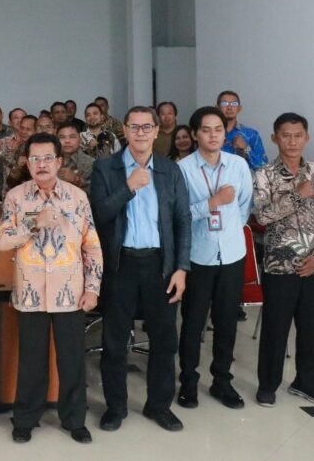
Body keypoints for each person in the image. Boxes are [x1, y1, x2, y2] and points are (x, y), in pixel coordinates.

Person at [89, 107, 191, 433]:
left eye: (147, 126)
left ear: (157, 130)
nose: (141, 132)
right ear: (124, 130)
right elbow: (99, 214)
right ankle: (115, 407)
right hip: (121, 265)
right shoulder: (106, 168)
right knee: (115, 340)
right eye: (134, 127)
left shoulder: (170, 170)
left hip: (160, 265)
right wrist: (129, 187)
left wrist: (181, 268)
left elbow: (182, 221)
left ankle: (159, 405)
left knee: (164, 339)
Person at [0, 133, 102, 444]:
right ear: (27, 162)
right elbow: (2, 241)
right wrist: (33, 223)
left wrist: (93, 288)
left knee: (71, 361)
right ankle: (26, 418)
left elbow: (92, 247)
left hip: (70, 292)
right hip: (30, 293)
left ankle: (74, 419)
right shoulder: (16, 197)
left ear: (59, 161)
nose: (41, 165)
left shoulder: (77, 198)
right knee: (31, 360)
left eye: (47, 159)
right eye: (35, 159)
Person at [253, 112, 314, 407]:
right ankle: (268, 385)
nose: (292, 141)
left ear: (306, 137)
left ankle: (307, 383)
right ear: (275, 138)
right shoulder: (265, 174)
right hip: (279, 264)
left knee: (312, 328)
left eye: (297, 135)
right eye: (285, 135)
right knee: (276, 328)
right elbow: (262, 215)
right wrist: (298, 196)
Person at [176, 107, 253, 410]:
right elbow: (178, 215)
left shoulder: (237, 165)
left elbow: (245, 207)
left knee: (226, 323)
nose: (213, 135)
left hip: (232, 253)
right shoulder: (182, 169)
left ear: (225, 132)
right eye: (206, 130)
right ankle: (188, 383)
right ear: (195, 134)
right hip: (198, 255)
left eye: (218, 129)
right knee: (193, 324)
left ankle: (222, 381)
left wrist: (228, 225)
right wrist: (212, 203)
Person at [217, 91, 268, 170]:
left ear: (239, 108)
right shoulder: (210, 135)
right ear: (217, 108)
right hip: (213, 180)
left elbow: (264, 168)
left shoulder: (251, 135)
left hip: (243, 181)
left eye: (234, 104)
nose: (229, 107)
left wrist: (246, 148)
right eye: (225, 103)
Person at [57, 124, 94, 190]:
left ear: (80, 140)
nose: (67, 141)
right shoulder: (50, 160)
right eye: (62, 137)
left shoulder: (90, 163)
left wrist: (75, 179)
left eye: (72, 137)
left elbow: (95, 193)